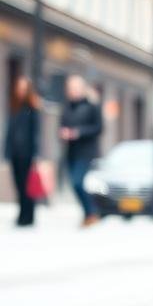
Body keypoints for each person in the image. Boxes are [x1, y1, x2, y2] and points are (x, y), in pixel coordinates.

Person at [60, 75, 104, 227]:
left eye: (76, 88)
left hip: (86, 152)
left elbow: (98, 128)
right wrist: (64, 133)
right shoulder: (67, 106)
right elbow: (62, 125)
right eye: (70, 88)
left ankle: (92, 211)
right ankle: (89, 214)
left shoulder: (92, 105)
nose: (73, 91)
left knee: (78, 182)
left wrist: (78, 132)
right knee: (74, 184)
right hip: (71, 152)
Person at [4, 77, 42, 227]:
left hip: (27, 154)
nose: (20, 90)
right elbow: (9, 132)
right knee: (19, 185)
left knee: (28, 186)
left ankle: (28, 216)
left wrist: (35, 154)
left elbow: (35, 133)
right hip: (15, 153)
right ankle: (21, 214)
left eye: (23, 88)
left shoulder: (32, 108)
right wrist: (6, 151)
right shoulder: (14, 107)